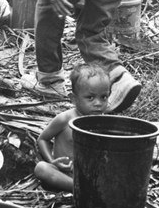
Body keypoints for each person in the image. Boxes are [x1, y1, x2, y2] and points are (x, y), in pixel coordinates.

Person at [34, 63, 110, 192]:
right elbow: (42, 139)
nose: (98, 103)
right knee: (41, 168)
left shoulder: (104, 124)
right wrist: (52, 161)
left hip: (91, 176)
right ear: (74, 99)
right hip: (65, 174)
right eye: (90, 97)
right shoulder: (65, 119)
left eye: (103, 97)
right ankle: (79, 189)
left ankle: (87, 189)